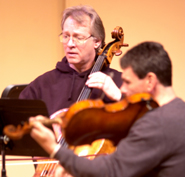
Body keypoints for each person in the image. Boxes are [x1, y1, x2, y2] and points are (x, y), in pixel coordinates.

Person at [29, 41, 185, 177]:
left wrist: (55, 149)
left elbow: (110, 171)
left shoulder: (156, 124)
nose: (122, 89)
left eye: (127, 82)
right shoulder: (179, 111)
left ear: (150, 81)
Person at [19, 5, 123, 119]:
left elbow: (142, 125)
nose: (70, 44)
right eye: (66, 36)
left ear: (97, 41)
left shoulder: (118, 81)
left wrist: (119, 96)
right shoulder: (42, 84)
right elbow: (17, 125)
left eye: (78, 37)